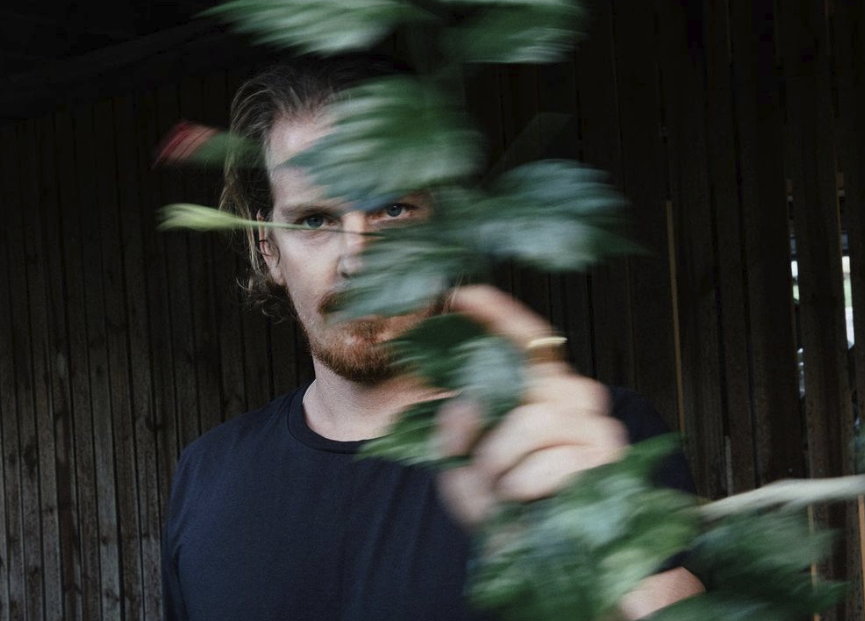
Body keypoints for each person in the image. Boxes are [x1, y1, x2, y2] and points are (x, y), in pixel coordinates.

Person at [161, 61, 704, 621]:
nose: (358, 261)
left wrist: (601, 552)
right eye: (314, 221)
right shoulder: (207, 476)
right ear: (268, 249)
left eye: (393, 210)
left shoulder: (591, 438)